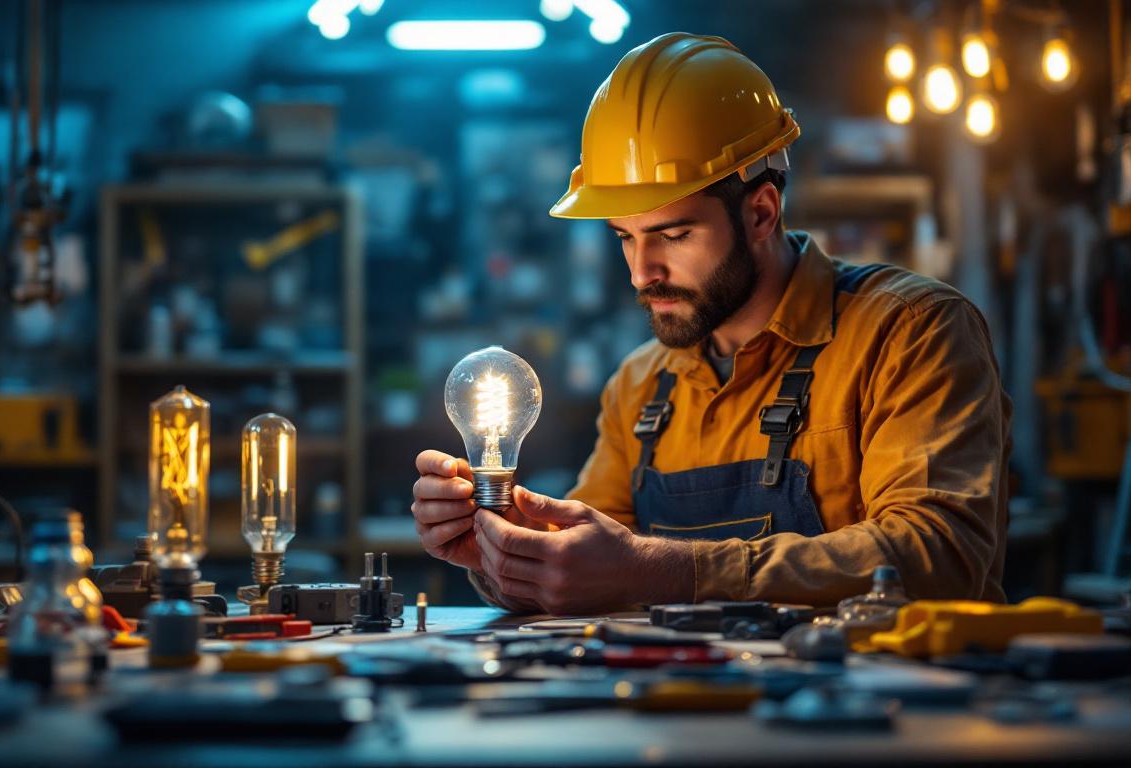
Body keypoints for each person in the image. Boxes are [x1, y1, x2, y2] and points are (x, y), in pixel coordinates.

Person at [410, 33, 1012, 615]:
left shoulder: (909, 331)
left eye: (674, 235)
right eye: (625, 237)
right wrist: (501, 553)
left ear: (760, 212)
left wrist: (669, 571)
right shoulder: (642, 385)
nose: (643, 272)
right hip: (695, 711)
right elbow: (582, 575)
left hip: (886, 712)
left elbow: (940, 556)